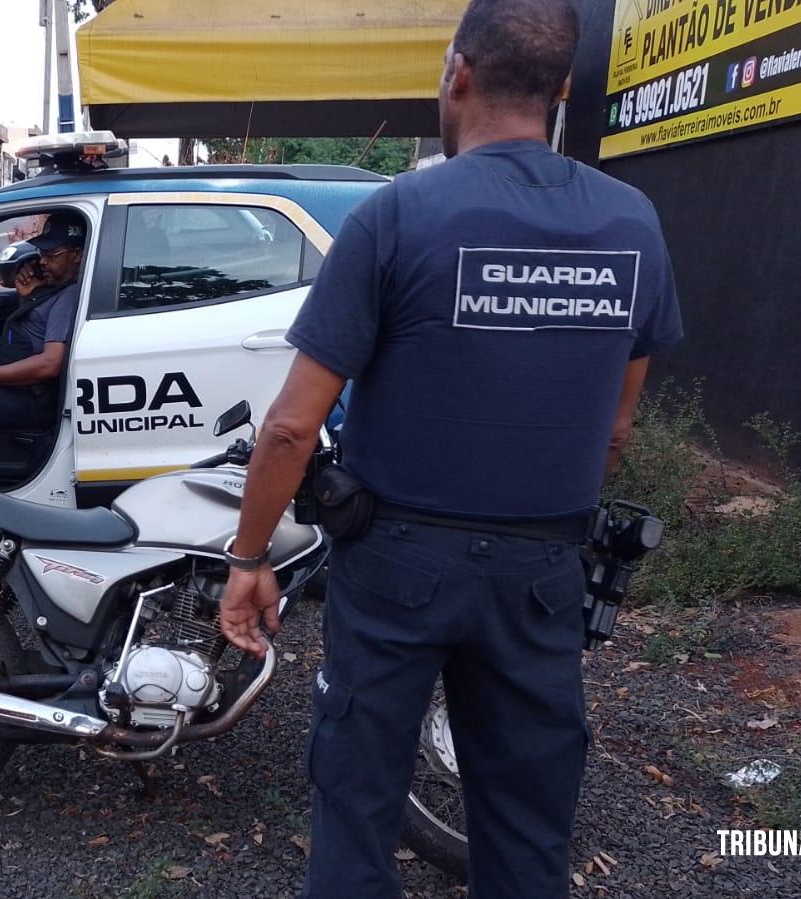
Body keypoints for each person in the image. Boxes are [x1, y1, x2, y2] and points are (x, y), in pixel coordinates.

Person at [215, 1, 683, 897]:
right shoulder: (633, 222)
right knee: (524, 821)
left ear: (456, 72)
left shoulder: (398, 215)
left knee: (356, 804)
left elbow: (287, 425)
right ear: (562, 88)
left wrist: (248, 556)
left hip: (396, 563)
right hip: (544, 568)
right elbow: (618, 423)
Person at [0, 214, 86, 432]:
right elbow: (34, 333)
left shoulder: (69, 297)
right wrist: (27, 298)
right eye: (42, 253)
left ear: (77, 255)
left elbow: (51, 363)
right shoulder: (54, 290)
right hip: (23, 387)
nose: (42, 261)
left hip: (34, 399)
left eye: (52, 255)